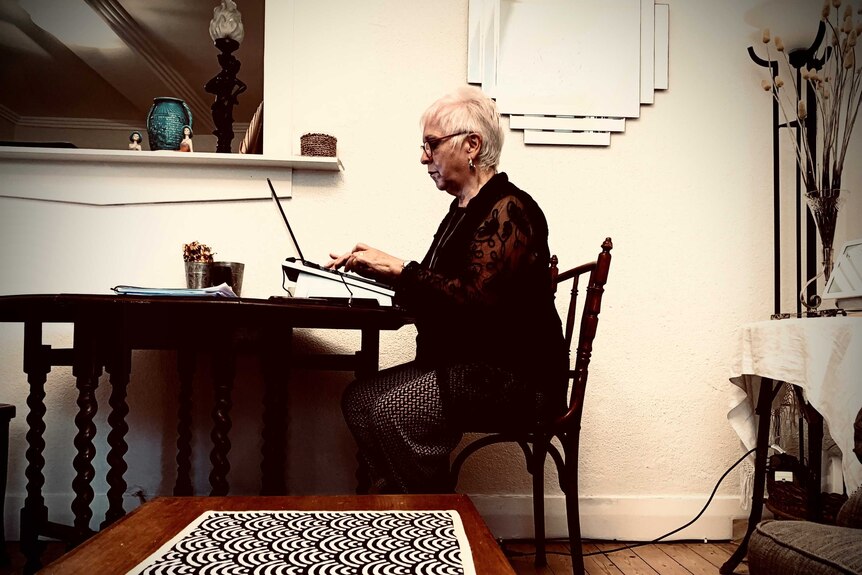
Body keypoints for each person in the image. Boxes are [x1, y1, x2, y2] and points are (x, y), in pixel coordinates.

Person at [326, 86, 568, 494]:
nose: (424, 157)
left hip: (514, 378)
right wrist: (382, 274)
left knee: (393, 411)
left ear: (472, 144)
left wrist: (401, 270)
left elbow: (475, 304)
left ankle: (433, 523)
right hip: (466, 366)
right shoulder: (461, 211)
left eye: (432, 144)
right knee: (360, 401)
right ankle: (410, 511)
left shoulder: (510, 208)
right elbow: (439, 293)